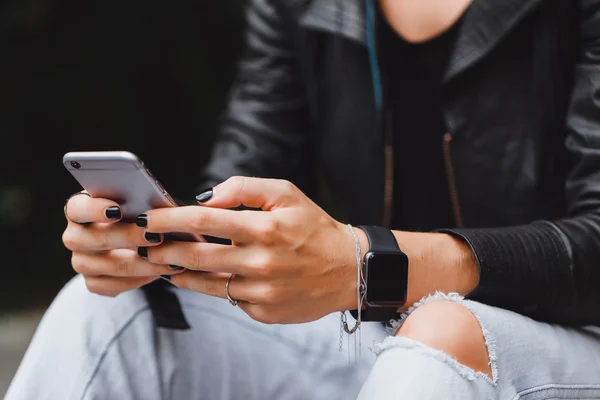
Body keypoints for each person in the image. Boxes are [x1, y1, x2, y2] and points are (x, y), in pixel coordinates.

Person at [8, 0, 600, 398]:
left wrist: (369, 263)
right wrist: (163, 243)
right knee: (115, 310)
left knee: (440, 334)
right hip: (378, 331)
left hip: (565, 337)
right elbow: (243, 177)